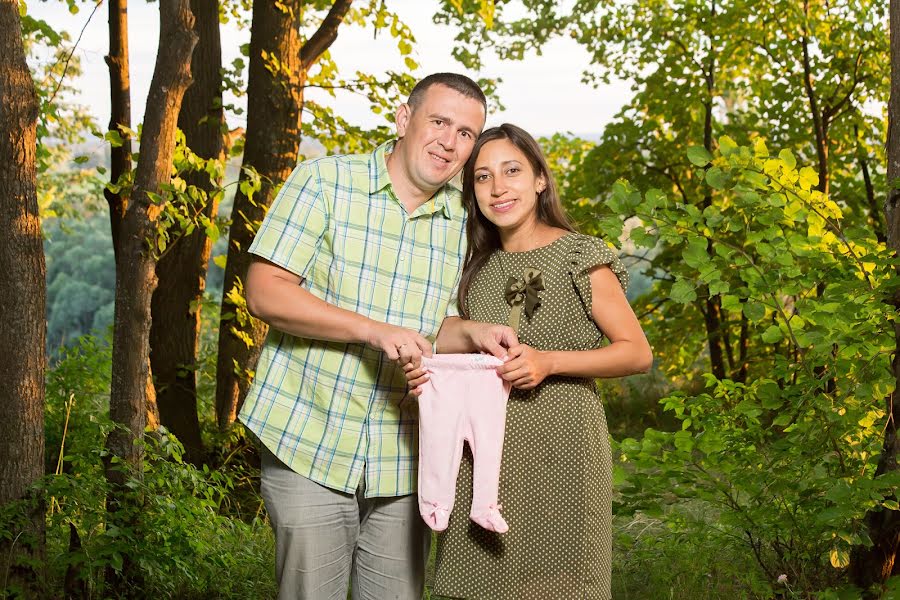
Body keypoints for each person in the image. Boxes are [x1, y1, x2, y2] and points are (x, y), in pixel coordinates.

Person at [239, 73, 517, 600]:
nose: (449, 141)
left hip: (406, 459)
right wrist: (372, 331)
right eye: (438, 121)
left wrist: (475, 332)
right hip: (309, 437)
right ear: (403, 118)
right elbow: (265, 291)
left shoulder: (463, 220)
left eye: (465, 133)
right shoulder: (323, 181)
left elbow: (434, 326)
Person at [404, 123, 653, 599]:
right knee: (474, 585)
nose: (498, 188)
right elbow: (448, 336)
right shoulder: (474, 265)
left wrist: (548, 362)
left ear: (540, 179)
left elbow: (636, 352)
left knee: (561, 585)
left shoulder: (580, 255)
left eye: (512, 171)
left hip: (564, 450)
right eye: (482, 177)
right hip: (480, 460)